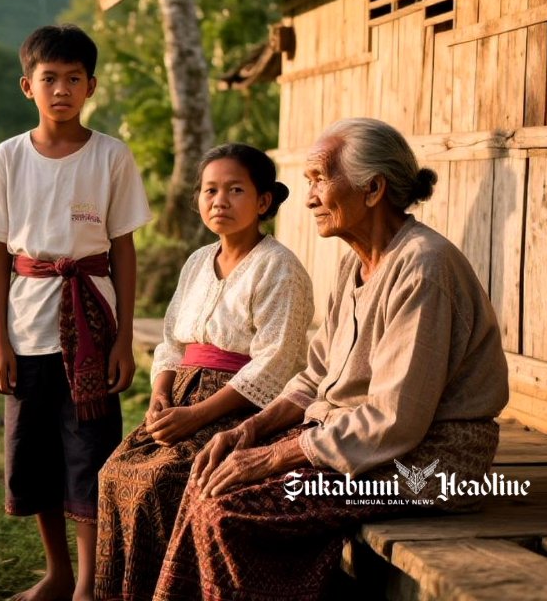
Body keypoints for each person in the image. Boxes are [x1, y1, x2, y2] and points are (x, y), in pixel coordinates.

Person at [153, 117, 510, 601]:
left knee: (230, 509)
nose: (308, 197)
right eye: (309, 182)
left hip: (427, 462)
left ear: (373, 189)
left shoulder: (424, 269)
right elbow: (316, 373)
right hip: (361, 439)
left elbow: (395, 421)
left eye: (321, 179)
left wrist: (274, 455)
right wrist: (248, 431)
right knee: (207, 475)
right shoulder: (355, 261)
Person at [0, 24, 152, 601]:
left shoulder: (111, 157)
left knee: (91, 452)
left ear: (92, 85)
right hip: (28, 332)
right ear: (28, 86)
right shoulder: (8, 158)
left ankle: (90, 584)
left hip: (93, 328)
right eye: (50, 78)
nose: (62, 89)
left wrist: (123, 339)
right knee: (38, 453)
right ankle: (58, 572)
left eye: (75, 78)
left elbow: (122, 248)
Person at [96, 144, 314, 601]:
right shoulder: (197, 262)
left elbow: (274, 362)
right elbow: (174, 341)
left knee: (160, 482)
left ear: (263, 202)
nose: (220, 201)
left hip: (239, 409)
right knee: (115, 471)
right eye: (211, 190)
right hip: (181, 397)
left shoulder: (279, 268)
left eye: (236, 190)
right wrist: (162, 394)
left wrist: (198, 417)